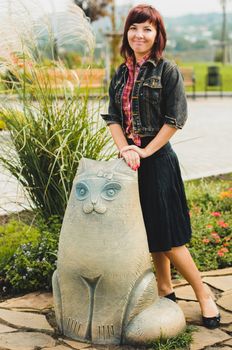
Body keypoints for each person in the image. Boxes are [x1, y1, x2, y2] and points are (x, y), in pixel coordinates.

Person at [101, 4, 220, 329]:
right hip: (131, 162)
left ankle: (203, 293)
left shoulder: (166, 70)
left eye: (147, 29)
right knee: (150, 231)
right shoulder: (121, 72)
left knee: (169, 239)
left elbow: (174, 120)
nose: (140, 34)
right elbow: (112, 116)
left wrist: (144, 152)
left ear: (157, 35)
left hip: (158, 161)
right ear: (127, 32)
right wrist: (125, 148)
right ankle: (165, 288)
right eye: (134, 28)